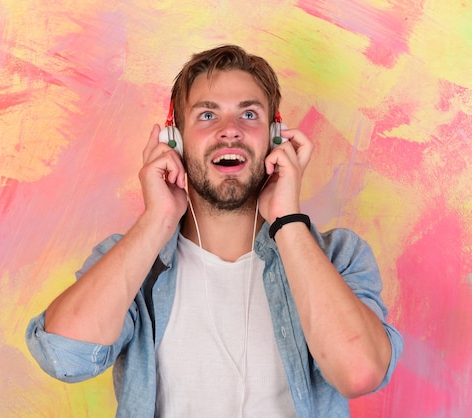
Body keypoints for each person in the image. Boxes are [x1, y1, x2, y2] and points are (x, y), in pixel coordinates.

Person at [26, 44, 403, 417]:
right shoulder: (133, 261)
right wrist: (158, 218)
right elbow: (64, 357)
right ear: (174, 141)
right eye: (207, 115)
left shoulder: (338, 255)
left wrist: (287, 219)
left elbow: (359, 373)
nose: (230, 132)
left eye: (249, 114)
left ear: (275, 138)